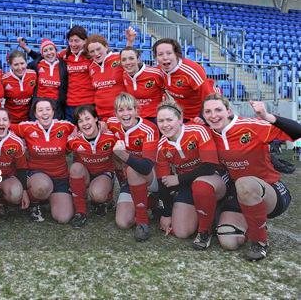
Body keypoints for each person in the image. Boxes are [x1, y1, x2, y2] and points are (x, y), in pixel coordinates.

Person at [202, 95, 300, 260]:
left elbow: (298, 131)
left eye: (218, 110)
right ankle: (253, 222)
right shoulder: (208, 134)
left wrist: (267, 116)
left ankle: (260, 242)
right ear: (203, 116)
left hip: (270, 190)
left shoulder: (251, 126)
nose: (213, 115)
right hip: (239, 193)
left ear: (228, 111)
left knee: (244, 183)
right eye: (208, 111)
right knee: (229, 242)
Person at [155, 100, 227, 250]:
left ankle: (205, 230)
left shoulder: (197, 130)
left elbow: (209, 167)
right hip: (188, 184)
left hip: (214, 178)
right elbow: (163, 181)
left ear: (180, 119)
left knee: (201, 185)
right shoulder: (162, 146)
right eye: (161, 121)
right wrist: (166, 214)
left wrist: (178, 179)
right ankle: (204, 212)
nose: (165, 124)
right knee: (181, 232)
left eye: (169, 119)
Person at [11, 99, 76, 223]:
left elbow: (84, 128)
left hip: (60, 177)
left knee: (63, 218)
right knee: (42, 187)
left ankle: (50, 198)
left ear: (53, 112)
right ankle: (34, 203)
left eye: (48, 109)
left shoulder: (65, 126)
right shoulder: (27, 127)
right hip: (37, 175)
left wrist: (101, 125)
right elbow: (4, 127)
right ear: (35, 114)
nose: (44, 113)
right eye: (40, 110)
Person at [107, 92, 159, 241]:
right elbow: (101, 126)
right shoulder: (113, 124)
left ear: (137, 110)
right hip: (131, 179)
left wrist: (123, 155)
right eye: (121, 110)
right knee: (123, 222)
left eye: (129, 109)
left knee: (133, 169)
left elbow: (147, 166)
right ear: (116, 113)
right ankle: (151, 202)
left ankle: (143, 223)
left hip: (152, 176)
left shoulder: (149, 128)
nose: (125, 114)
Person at [66, 105, 117, 228]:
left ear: (96, 119)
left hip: (104, 173)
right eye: (80, 121)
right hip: (85, 174)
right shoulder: (73, 140)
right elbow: (62, 152)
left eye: (88, 118)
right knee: (75, 168)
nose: (85, 123)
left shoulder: (111, 136)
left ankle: (106, 199)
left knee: (98, 195)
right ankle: (81, 212)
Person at [153, 38, 215, 122]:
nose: (165, 57)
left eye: (169, 53)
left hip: (201, 114)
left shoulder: (192, 71)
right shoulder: (158, 72)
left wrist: (202, 117)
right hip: (181, 115)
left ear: (176, 54)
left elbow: (210, 97)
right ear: (156, 57)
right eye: (160, 54)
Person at [24, 38, 68, 120]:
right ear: (42, 54)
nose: (49, 53)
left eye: (51, 49)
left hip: (56, 105)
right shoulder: (36, 65)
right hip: (39, 104)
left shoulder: (63, 65)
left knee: (54, 131)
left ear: (56, 51)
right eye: (45, 50)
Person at [85, 34, 126, 120]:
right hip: (101, 115)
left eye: (98, 49)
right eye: (92, 51)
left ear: (106, 47)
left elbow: (129, 58)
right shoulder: (92, 67)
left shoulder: (118, 58)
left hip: (120, 113)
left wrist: (130, 41)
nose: (96, 53)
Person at [120, 46, 164, 122]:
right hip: (135, 118)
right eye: (124, 60)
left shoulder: (155, 74)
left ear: (138, 59)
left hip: (155, 117)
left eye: (131, 58)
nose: (127, 62)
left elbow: (168, 92)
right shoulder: (124, 75)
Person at [2, 50, 37, 123]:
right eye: (16, 64)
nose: (20, 67)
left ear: (26, 63)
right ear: (10, 65)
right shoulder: (4, 79)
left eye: (22, 63)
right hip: (11, 120)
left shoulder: (33, 75)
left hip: (29, 119)